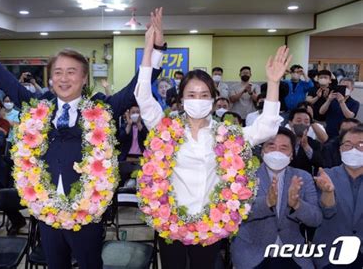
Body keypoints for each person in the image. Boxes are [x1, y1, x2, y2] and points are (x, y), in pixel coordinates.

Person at [0, 7, 164, 268]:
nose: (64, 78)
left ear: (84, 77)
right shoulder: (38, 105)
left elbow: (138, 87)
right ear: (51, 79)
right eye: (58, 72)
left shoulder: (100, 108)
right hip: (48, 211)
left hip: (88, 213)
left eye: (71, 72)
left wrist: (155, 48)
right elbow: (6, 81)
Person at [135, 39, 290, 268]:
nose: (198, 100)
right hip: (171, 222)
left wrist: (273, 83)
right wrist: (150, 50)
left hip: (211, 225)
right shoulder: (165, 130)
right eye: (192, 95)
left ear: (213, 98)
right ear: (181, 98)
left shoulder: (226, 135)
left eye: (204, 94)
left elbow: (266, 127)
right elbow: (144, 98)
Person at [231, 127, 322, 269]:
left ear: (292, 154)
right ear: (262, 151)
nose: (276, 152)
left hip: (292, 253)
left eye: (283, 148)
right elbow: (235, 215)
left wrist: (297, 204)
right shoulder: (245, 177)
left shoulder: (303, 177)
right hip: (252, 252)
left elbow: (315, 219)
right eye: (271, 146)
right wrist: (266, 202)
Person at [312, 126, 363, 269]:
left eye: (360, 145)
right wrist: (328, 193)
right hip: (331, 253)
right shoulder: (326, 176)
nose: (354, 150)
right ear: (340, 150)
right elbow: (326, 213)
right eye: (348, 145)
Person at [287, 109, 323, 175]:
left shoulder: (315, 144)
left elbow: (319, 163)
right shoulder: (285, 142)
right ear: (290, 123)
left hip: (306, 180)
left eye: (306, 122)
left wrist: (306, 147)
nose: (302, 124)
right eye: (299, 121)